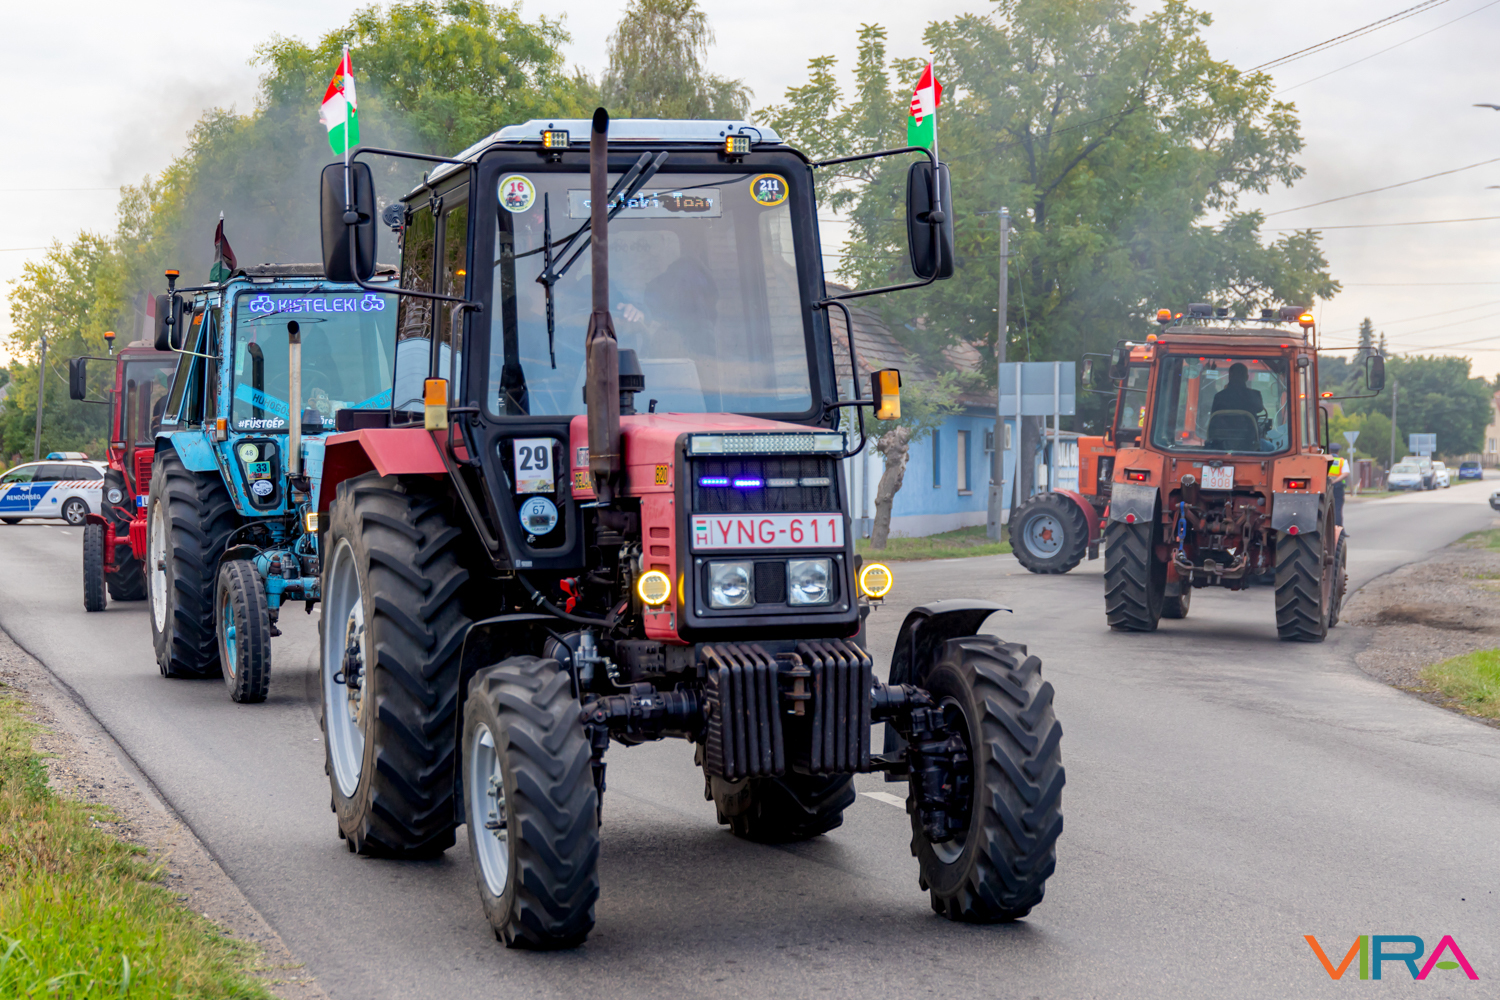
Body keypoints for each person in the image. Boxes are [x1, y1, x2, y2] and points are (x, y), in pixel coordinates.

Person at [1328, 443, 1348, 527]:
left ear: (1329, 451)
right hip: (1338, 487)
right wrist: (1335, 481)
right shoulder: (1342, 461)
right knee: (1337, 508)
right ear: (1338, 452)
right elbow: (1346, 473)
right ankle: (1338, 529)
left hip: (1326, 487)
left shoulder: (1325, 460)